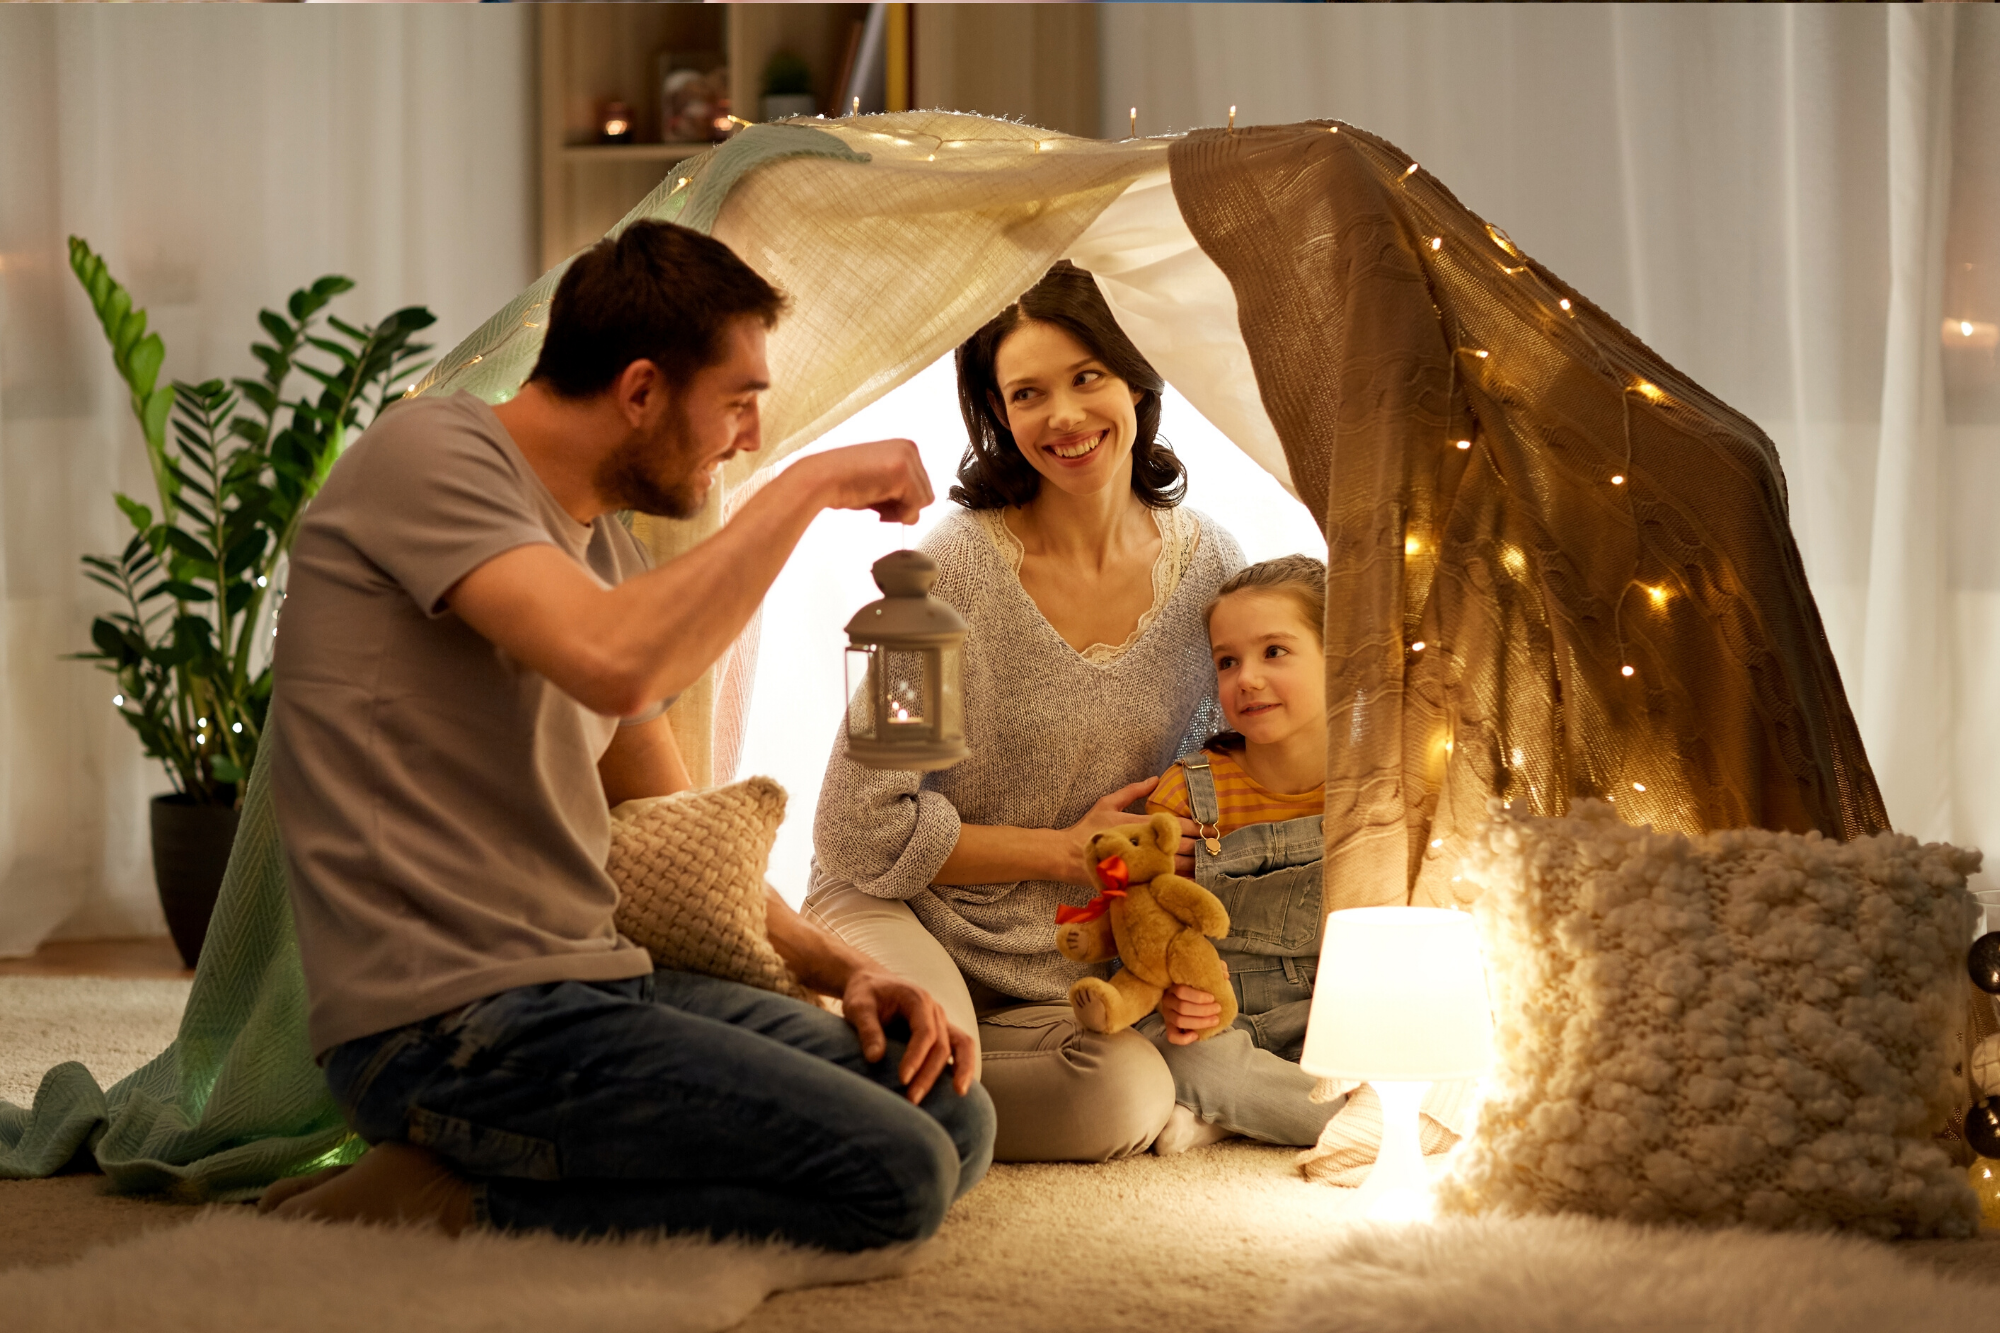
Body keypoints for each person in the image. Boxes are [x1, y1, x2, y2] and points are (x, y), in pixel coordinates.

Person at [257, 220, 994, 1250]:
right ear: (641, 390)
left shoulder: (596, 545)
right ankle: (455, 1202)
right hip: (441, 1029)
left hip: (588, 984)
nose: (748, 434)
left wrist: (843, 970)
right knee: (895, 1178)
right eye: (738, 401)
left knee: (951, 1111)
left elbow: (664, 814)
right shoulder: (427, 454)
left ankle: (494, 1168)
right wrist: (810, 485)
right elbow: (611, 659)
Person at [805, 261, 1246, 1162]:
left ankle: (873, 1068)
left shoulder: (1212, 572)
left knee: (1124, 1097)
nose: (1066, 417)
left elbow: (1226, 777)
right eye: (1028, 393)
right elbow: (860, 827)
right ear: (999, 416)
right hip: (902, 903)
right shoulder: (946, 577)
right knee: (936, 1046)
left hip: (1068, 952)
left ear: (1136, 380)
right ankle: (861, 1055)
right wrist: (1064, 850)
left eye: (1088, 377)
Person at [1134, 555, 1342, 1153]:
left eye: (1274, 651)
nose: (1246, 677)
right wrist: (1178, 991)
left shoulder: (1373, 788)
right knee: (1188, 1061)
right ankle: (1337, 1123)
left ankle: (1229, 1118)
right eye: (1228, 661)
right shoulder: (1188, 790)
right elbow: (1147, 927)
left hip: (1329, 1009)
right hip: (1219, 1013)